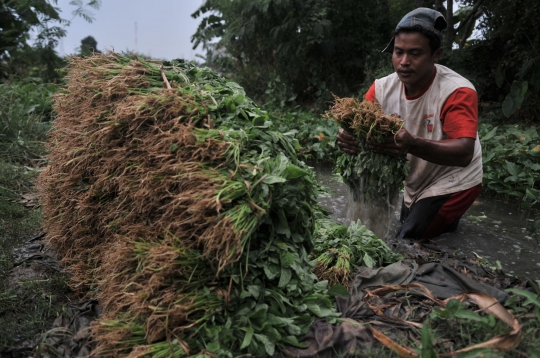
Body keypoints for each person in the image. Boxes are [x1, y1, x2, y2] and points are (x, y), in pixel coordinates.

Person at [337, 7, 483, 241]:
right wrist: (346, 135)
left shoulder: (456, 91)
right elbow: (356, 124)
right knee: (415, 228)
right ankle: (445, 221)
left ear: (436, 55)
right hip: (417, 178)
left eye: (415, 53)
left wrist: (412, 144)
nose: (404, 62)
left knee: (408, 239)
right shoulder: (382, 88)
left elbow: (464, 153)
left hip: (455, 180)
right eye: (398, 52)